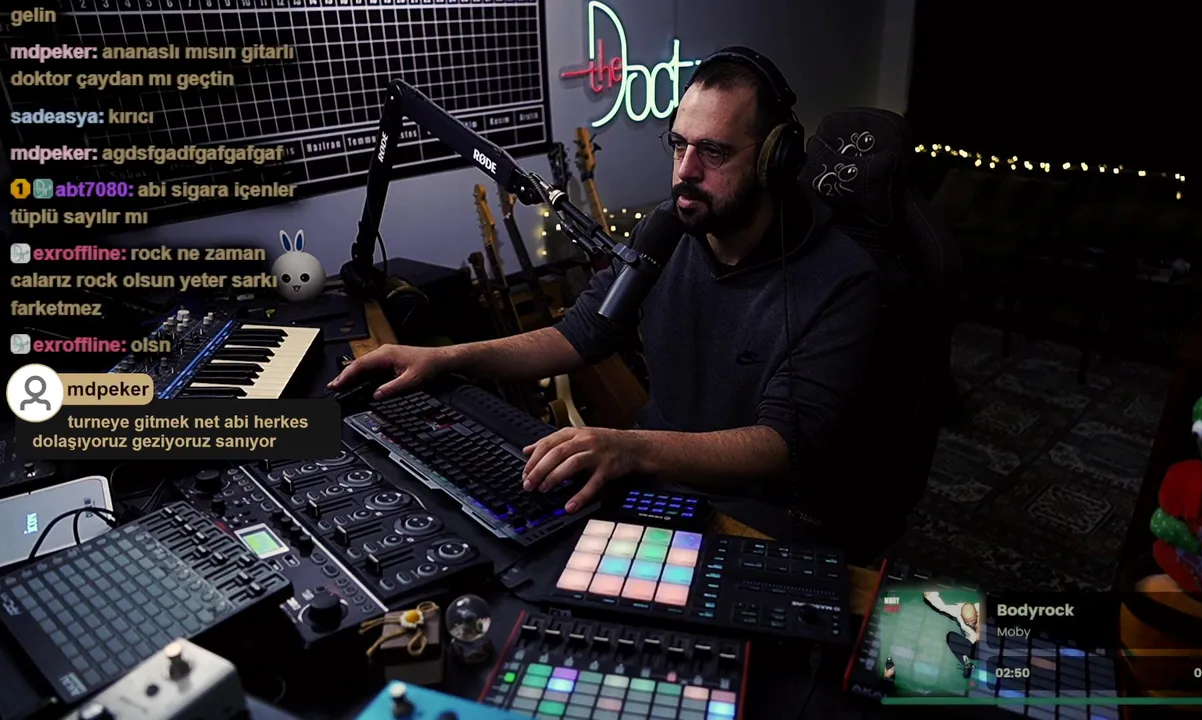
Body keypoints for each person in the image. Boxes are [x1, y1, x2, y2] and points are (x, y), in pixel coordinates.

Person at [330, 47, 884, 551]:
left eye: (713, 152)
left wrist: (632, 447)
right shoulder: (667, 231)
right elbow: (580, 333)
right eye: (679, 145)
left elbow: (780, 444)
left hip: (754, 514)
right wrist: (445, 357)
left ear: (772, 161)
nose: (685, 172)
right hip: (651, 479)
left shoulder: (841, 278)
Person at [923, 591, 979, 678]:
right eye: (967, 621)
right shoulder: (958, 611)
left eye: (973, 620)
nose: (970, 624)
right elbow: (942, 607)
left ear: (976, 614)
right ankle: (968, 664)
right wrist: (930, 596)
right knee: (951, 637)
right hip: (971, 644)